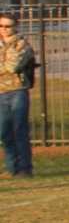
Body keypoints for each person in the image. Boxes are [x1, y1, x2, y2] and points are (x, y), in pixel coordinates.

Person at [0, 10, 35, 178]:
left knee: (19, 130)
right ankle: (11, 167)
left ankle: (24, 168)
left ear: (15, 27)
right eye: (1, 26)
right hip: (1, 92)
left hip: (17, 91)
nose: (4, 29)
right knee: (4, 132)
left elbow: (13, 67)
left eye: (8, 26)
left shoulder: (22, 44)